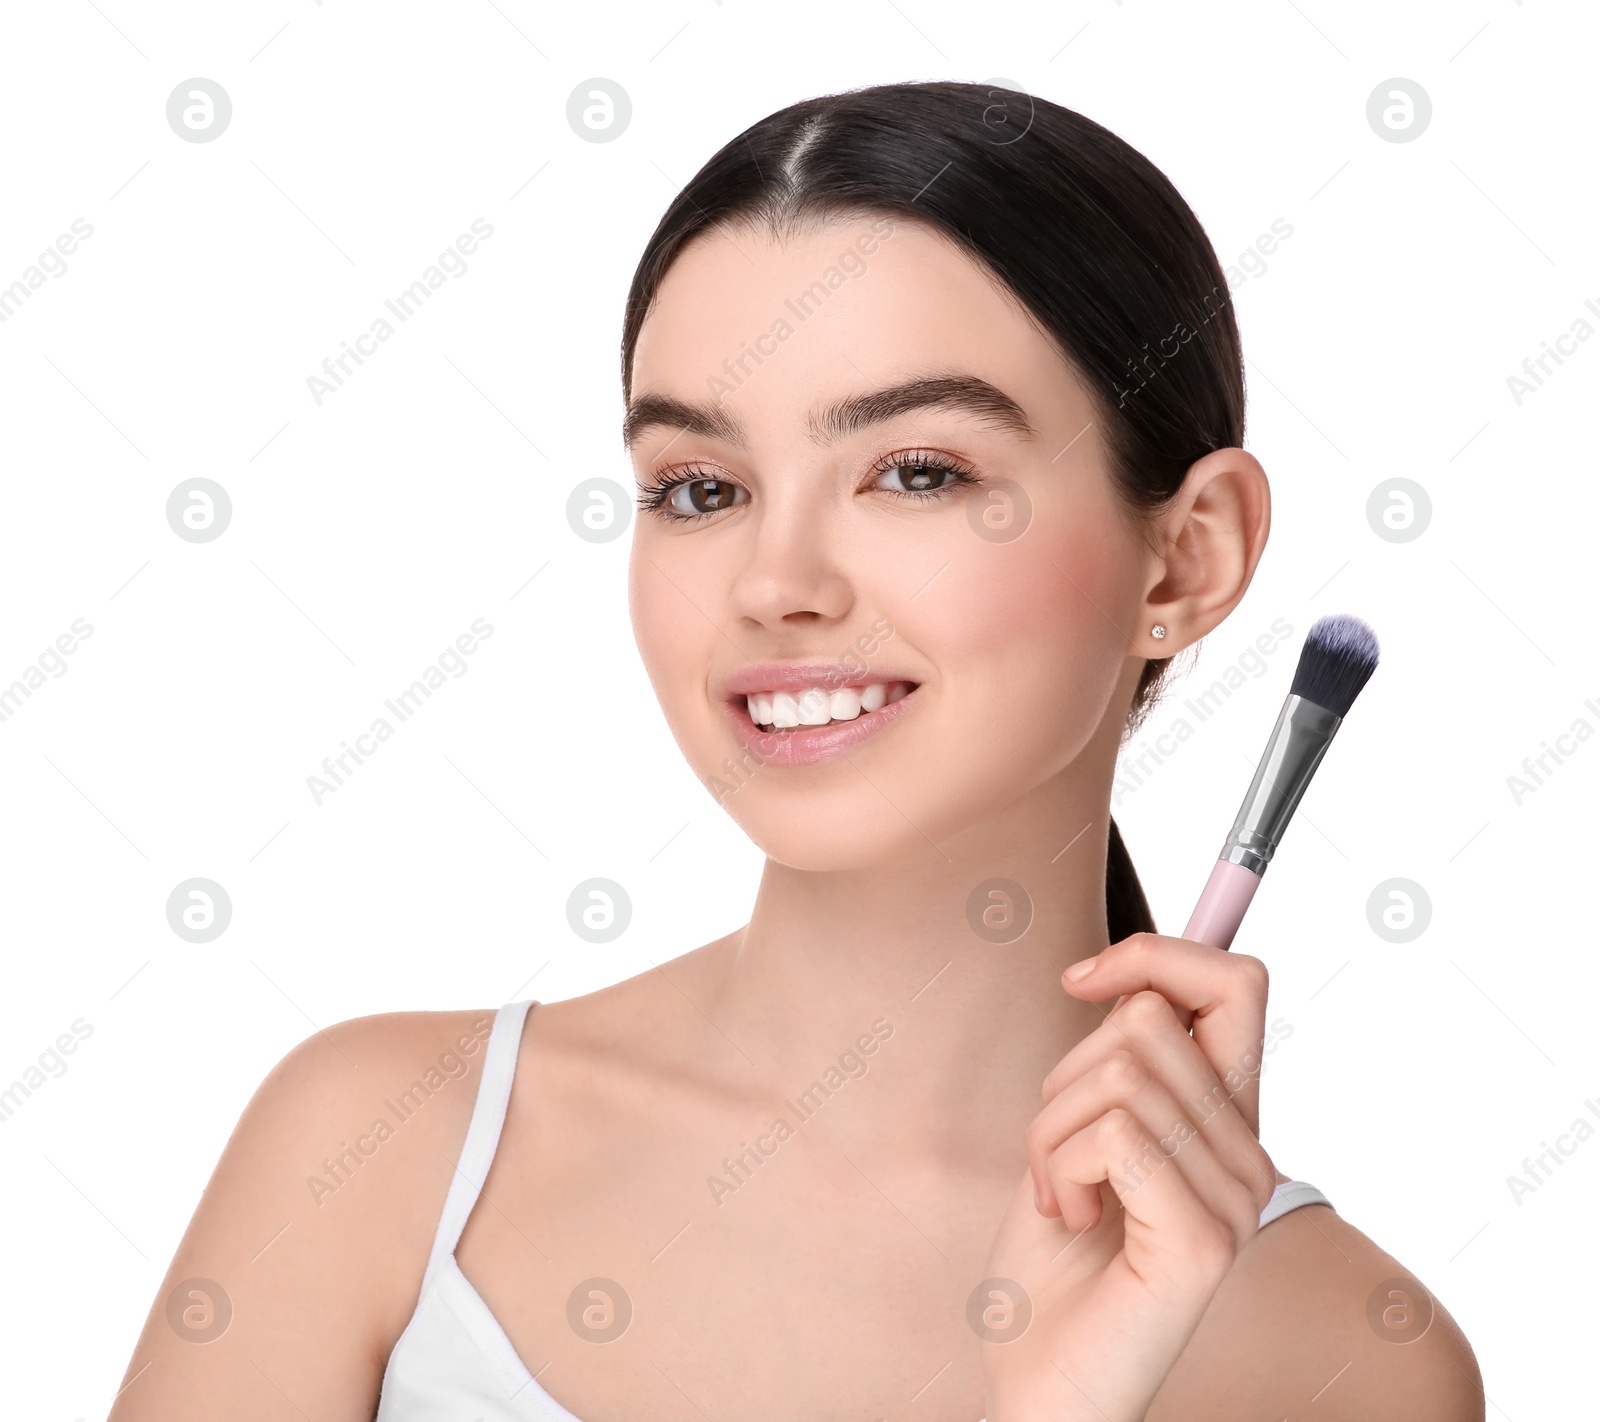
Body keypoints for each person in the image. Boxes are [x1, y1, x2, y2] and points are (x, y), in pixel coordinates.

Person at [110, 80, 1482, 1421]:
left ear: (1187, 558)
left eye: (918, 471)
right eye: (701, 489)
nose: (776, 582)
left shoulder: (1350, 1356)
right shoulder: (376, 1149)